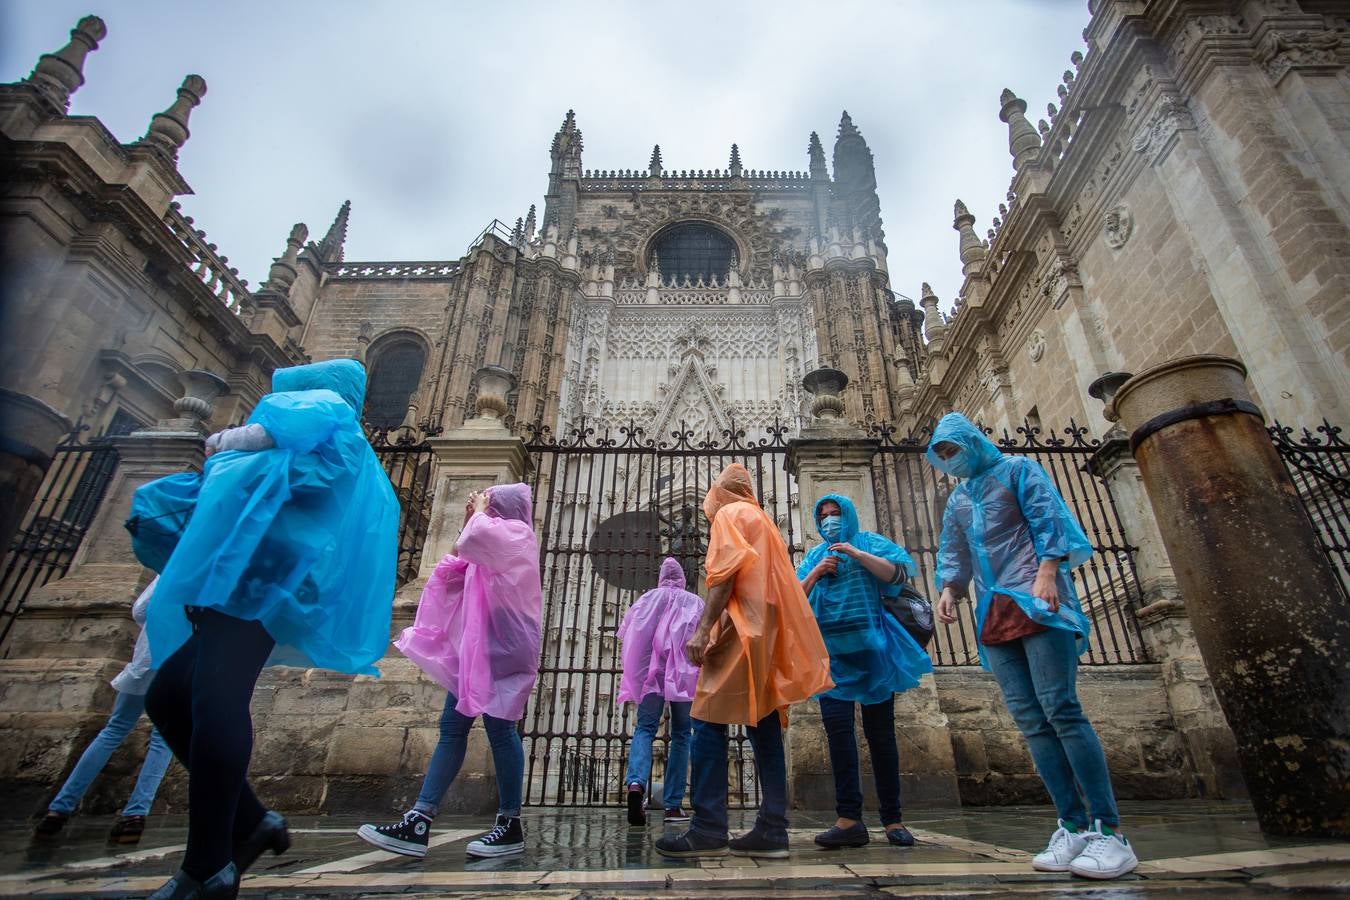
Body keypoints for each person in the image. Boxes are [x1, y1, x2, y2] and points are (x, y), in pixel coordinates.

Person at [137, 358, 400, 900]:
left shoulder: (325, 414)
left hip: (260, 584)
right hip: (245, 580)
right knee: (168, 696)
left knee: (215, 702)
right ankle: (251, 822)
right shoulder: (333, 441)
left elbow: (273, 434)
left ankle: (207, 868)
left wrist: (232, 438)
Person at [928, 412, 1138, 880]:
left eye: (952, 450)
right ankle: (1072, 826)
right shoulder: (959, 498)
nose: (949, 461)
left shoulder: (1019, 470)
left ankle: (1110, 832)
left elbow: (1048, 518)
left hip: (1040, 600)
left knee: (1061, 709)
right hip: (995, 609)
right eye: (941, 455)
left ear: (971, 443)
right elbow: (953, 549)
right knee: (1030, 720)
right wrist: (949, 588)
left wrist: (1047, 573)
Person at [655, 463, 833, 860]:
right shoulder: (763, 520)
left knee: (705, 721)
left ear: (720, 493)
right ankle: (773, 829)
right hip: (768, 630)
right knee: (764, 724)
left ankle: (708, 827)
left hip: (740, 627)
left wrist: (703, 630)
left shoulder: (729, 515)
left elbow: (723, 576)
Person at [359, 482, 542, 860]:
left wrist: (479, 513)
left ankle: (510, 823)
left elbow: (478, 539)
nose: (484, 508)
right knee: (453, 726)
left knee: (500, 729)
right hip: (477, 647)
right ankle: (420, 818)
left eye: (491, 503)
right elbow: (452, 564)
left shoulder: (519, 536)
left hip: (504, 647)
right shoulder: (488, 537)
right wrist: (467, 520)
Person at [797, 494, 932, 850]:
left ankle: (893, 820)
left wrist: (856, 554)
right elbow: (793, 599)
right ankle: (849, 819)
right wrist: (817, 571)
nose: (829, 521)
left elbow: (897, 575)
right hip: (832, 660)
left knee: (881, 737)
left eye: (835, 513)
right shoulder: (814, 555)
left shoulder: (871, 543)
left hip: (873, 656)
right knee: (839, 736)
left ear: (849, 513)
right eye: (822, 515)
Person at [33, 578, 172, 845]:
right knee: (162, 739)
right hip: (178, 664)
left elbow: (140, 609)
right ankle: (135, 815)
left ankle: (60, 808)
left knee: (115, 729)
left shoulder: (172, 566)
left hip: (147, 658)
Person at [617, 556, 704, 826]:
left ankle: (635, 784)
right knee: (681, 735)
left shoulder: (646, 600)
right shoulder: (695, 602)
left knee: (644, 728)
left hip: (652, 678)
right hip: (682, 679)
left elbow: (630, 637)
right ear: (683, 579)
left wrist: (640, 673)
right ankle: (673, 805)